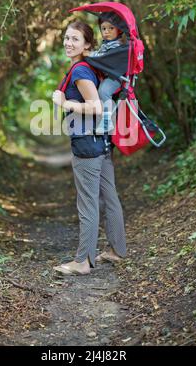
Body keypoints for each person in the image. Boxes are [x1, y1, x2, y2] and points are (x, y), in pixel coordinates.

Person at [52, 20, 127, 275]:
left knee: (88, 203)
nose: (68, 43)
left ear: (87, 45)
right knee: (110, 196)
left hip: (87, 144)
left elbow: (95, 107)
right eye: (66, 37)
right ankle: (117, 250)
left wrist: (65, 104)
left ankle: (82, 261)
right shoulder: (93, 69)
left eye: (75, 39)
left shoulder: (81, 71)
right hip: (102, 142)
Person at [84, 12, 128, 133]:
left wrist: (90, 54)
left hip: (116, 78)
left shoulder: (118, 46)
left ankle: (109, 120)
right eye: (103, 28)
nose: (107, 31)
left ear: (119, 30)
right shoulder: (107, 44)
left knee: (103, 91)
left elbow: (104, 57)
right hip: (108, 75)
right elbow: (101, 54)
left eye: (111, 28)